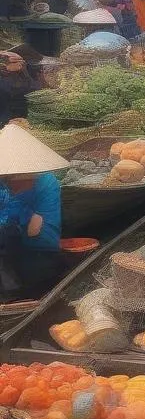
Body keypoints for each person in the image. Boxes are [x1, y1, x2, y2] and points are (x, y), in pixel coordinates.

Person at [0, 122, 69, 301]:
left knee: (39, 273)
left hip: (38, 251)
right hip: (7, 252)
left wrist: (22, 210)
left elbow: (40, 232)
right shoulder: (4, 185)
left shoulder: (46, 182)